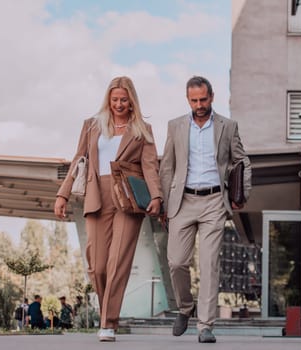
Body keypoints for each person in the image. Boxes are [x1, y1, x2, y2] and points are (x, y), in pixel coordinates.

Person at [54, 76, 163, 342]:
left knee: (118, 262)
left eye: (123, 100)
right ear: (108, 99)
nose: (118, 104)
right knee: (98, 265)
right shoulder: (92, 126)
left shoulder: (142, 130)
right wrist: (63, 194)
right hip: (96, 195)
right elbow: (78, 159)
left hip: (126, 197)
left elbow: (150, 166)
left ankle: (109, 323)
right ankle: (106, 313)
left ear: (131, 101)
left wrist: (157, 196)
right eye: (114, 100)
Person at [160, 76, 251, 343]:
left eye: (203, 99)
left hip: (214, 202)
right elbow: (167, 167)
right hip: (182, 202)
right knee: (176, 262)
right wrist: (165, 204)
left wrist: (242, 192)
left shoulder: (228, 126)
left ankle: (205, 326)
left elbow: (242, 159)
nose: (199, 105)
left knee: (210, 263)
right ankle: (185, 308)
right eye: (194, 100)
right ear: (188, 99)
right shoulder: (175, 126)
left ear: (211, 97)